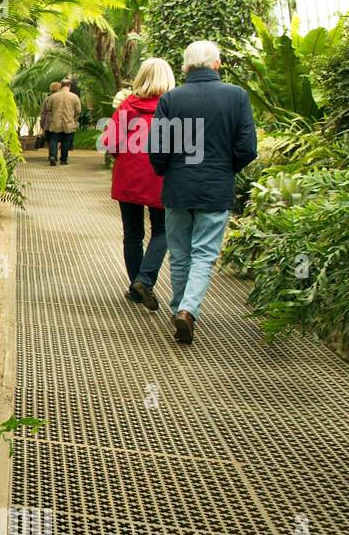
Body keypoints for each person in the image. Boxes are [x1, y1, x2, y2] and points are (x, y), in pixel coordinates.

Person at [148, 40, 257, 344]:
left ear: (184, 67)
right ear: (217, 64)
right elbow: (247, 148)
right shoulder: (237, 97)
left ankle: (180, 308)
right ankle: (187, 310)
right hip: (216, 187)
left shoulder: (171, 99)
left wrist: (166, 171)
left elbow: (157, 147)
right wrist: (226, 169)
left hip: (178, 186)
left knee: (180, 253)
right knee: (205, 254)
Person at [101, 58, 174, 310]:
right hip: (162, 177)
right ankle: (145, 280)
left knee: (133, 234)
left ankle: (136, 288)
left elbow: (109, 142)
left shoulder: (128, 106)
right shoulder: (175, 106)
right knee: (162, 231)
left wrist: (124, 157)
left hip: (129, 176)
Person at [42, 77, 82, 165]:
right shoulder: (74, 97)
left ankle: (53, 156)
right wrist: (74, 119)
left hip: (55, 121)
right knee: (66, 141)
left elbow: (48, 108)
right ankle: (63, 160)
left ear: (61, 86)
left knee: (54, 139)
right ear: (69, 86)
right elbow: (78, 111)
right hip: (68, 122)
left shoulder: (53, 97)